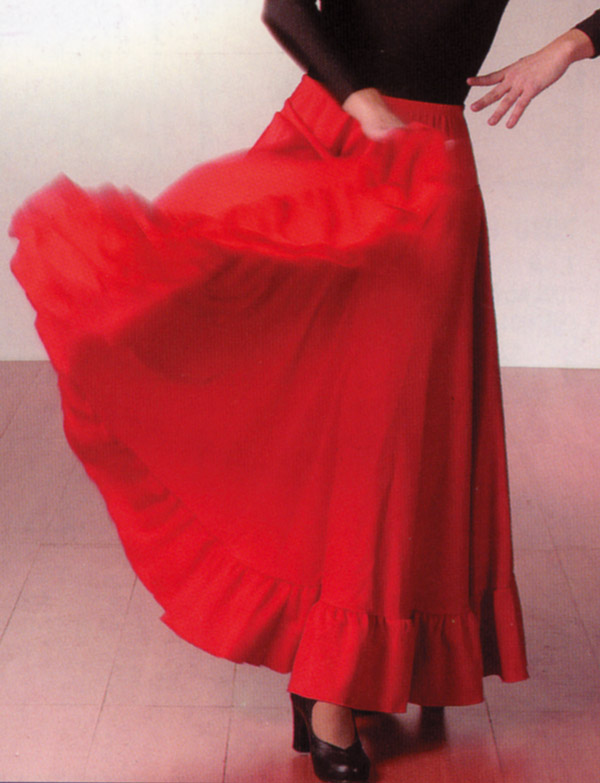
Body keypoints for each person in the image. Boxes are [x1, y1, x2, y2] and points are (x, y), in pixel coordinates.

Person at [8, 3, 599, 783]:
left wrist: (570, 46)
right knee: (348, 420)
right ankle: (332, 684)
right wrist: (362, 102)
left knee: (410, 427)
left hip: (429, 155)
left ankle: (357, 662)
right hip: (336, 135)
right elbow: (284, 3)